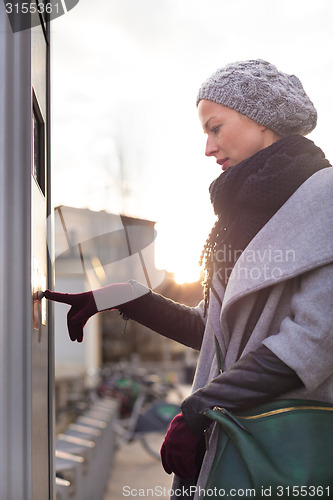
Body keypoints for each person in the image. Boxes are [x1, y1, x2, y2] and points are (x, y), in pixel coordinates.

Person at [44, 59, 333, 499]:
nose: (207, 147)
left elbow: (312, 343)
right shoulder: (245, 213)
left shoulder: (324, 201)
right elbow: (216, 330)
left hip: (283, 448)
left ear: (263, 119)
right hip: (232, 438)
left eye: (215, 128)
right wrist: (126, 297)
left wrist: (201, 405)